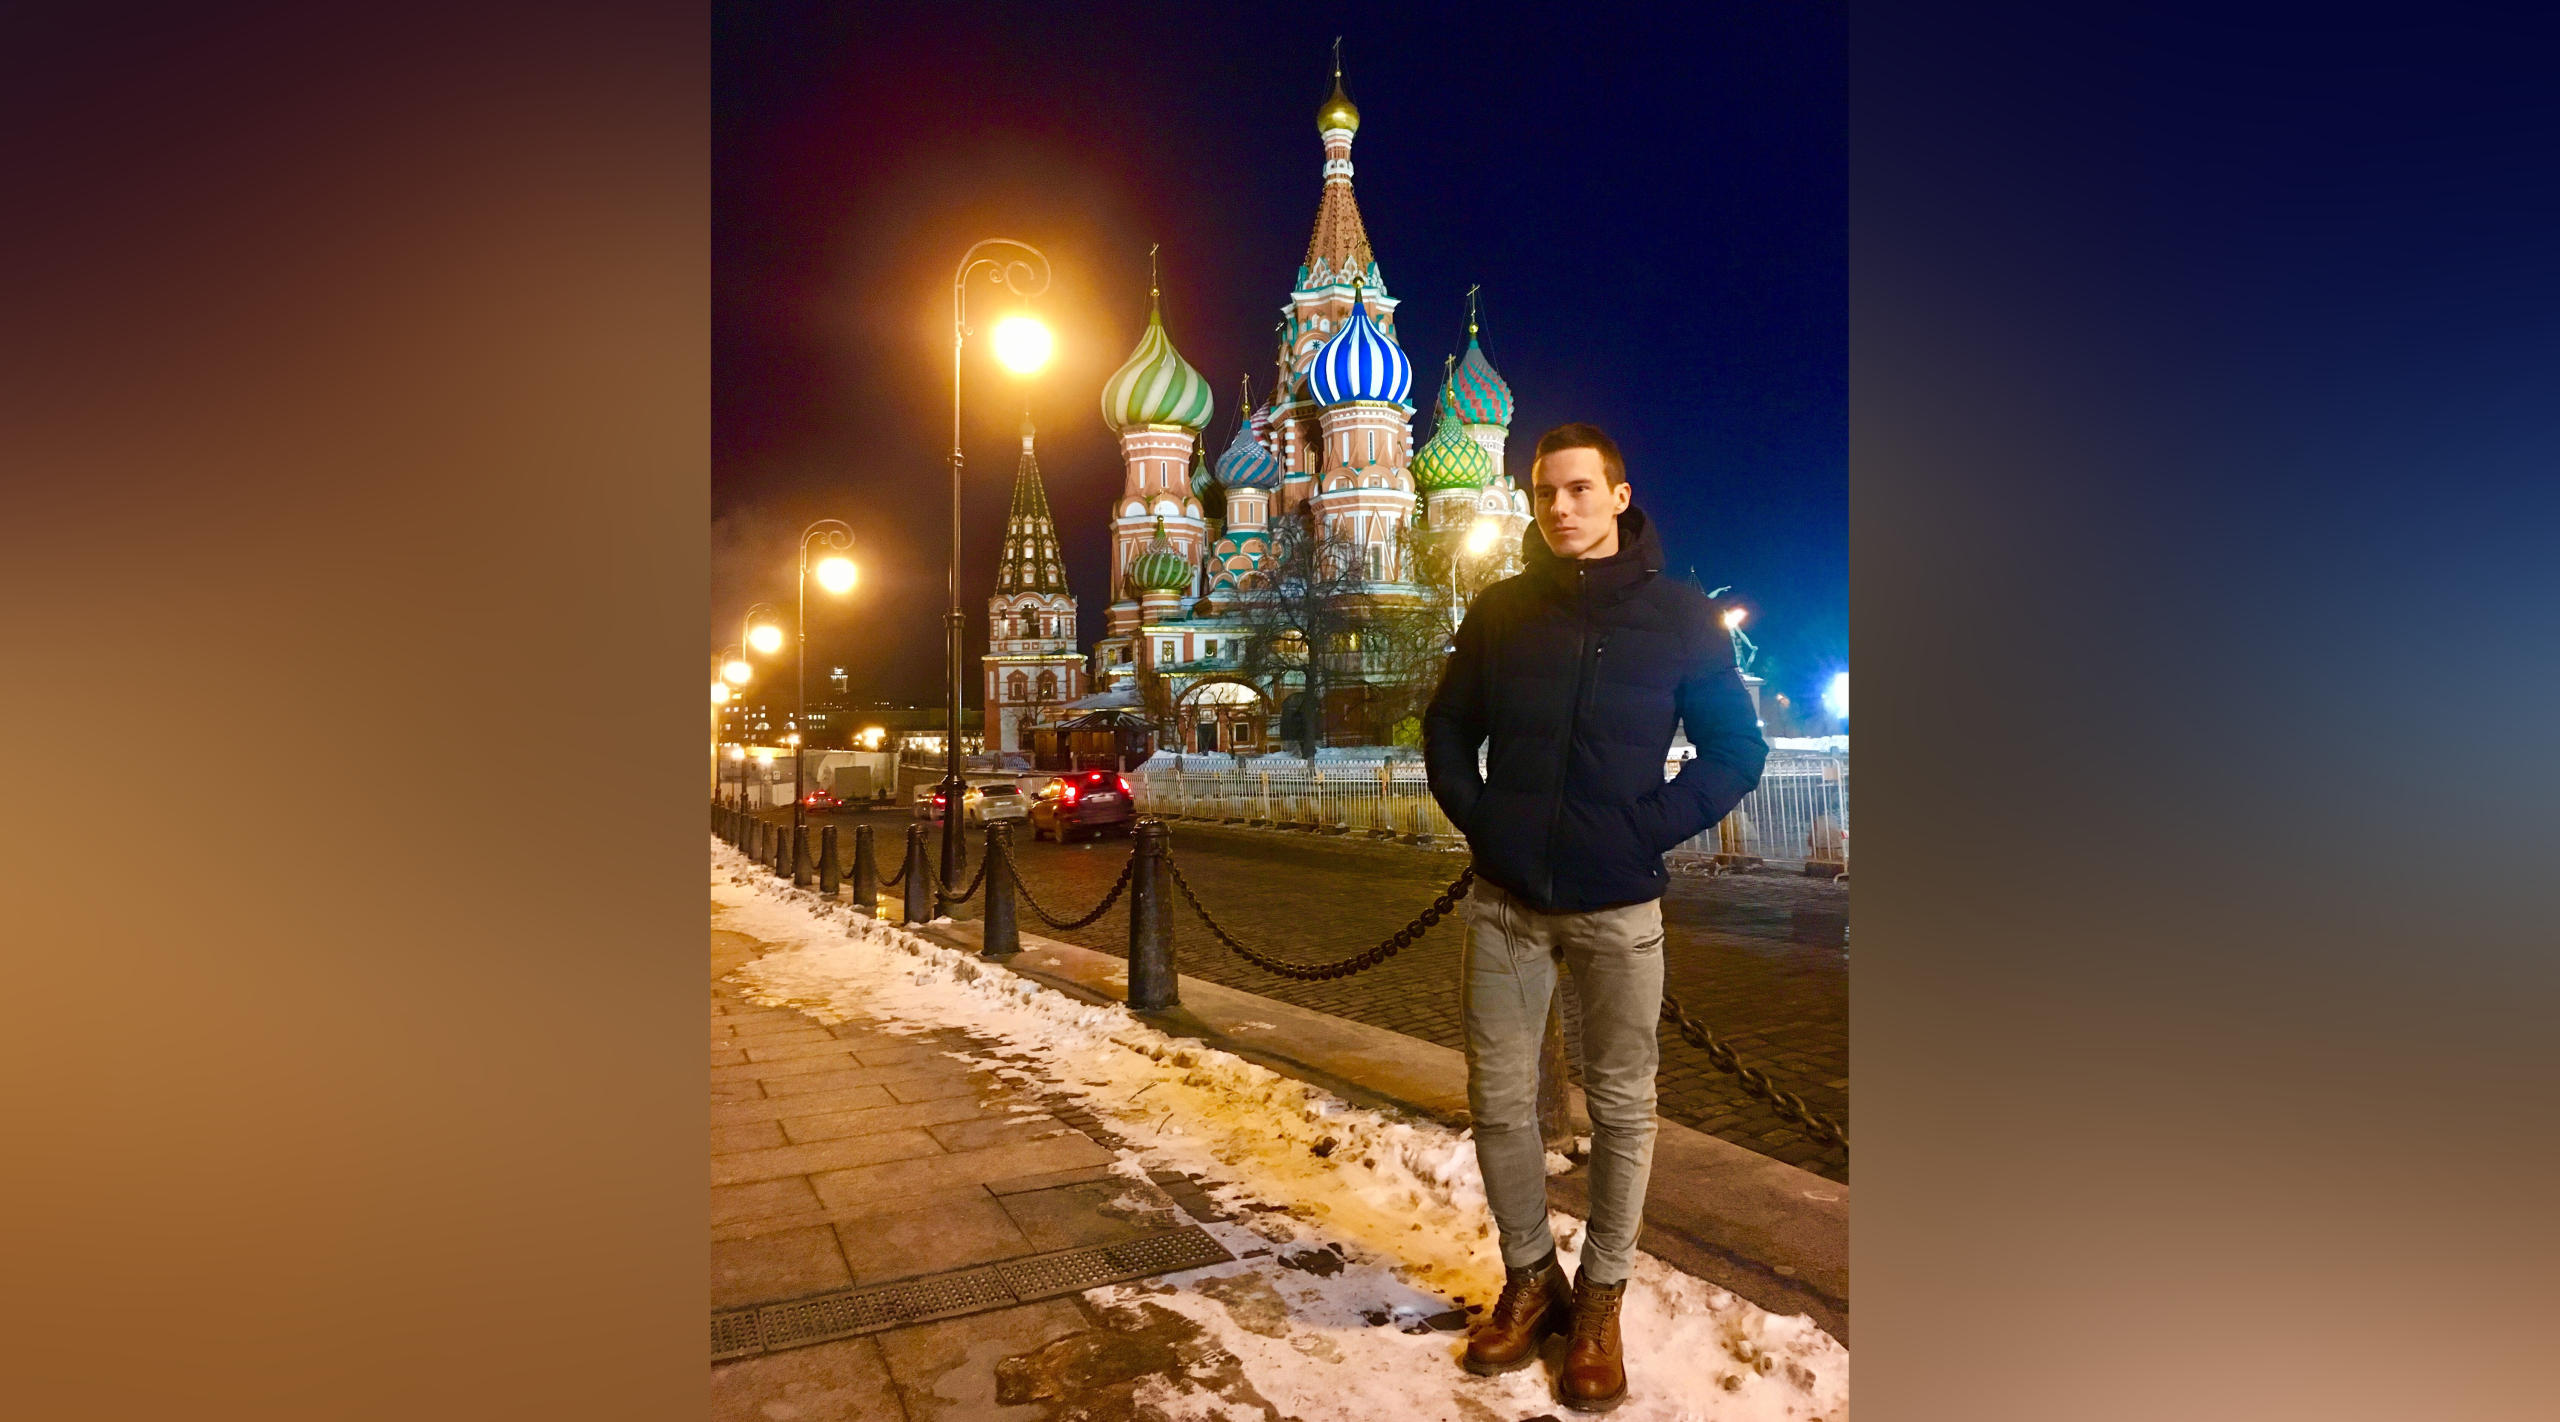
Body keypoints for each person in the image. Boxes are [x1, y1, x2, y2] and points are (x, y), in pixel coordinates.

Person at [1423, 422, 1768, 1412]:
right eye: (1544, 493)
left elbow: (1736, 753)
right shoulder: (1501, 609)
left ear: (1619, 496)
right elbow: (1449, 724)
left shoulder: (1681, 618)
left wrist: (1638, 831)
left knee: (1621, 1105)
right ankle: (1531, 1276)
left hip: (1619, 905)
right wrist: (1484, 818)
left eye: (1579, 489)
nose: (1560, 508)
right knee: (1499, 1101)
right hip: (1506, 902)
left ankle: (1603, 1297)